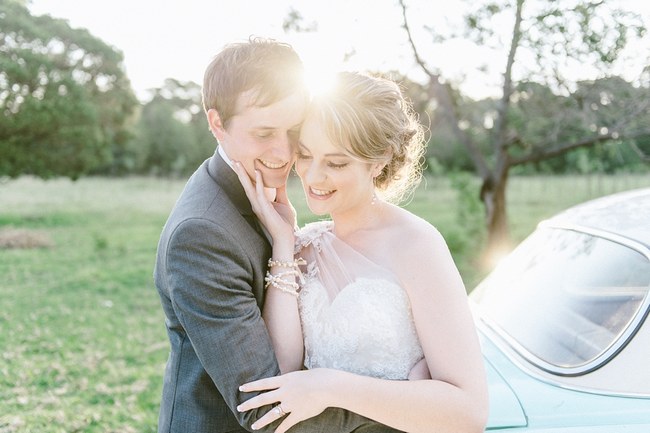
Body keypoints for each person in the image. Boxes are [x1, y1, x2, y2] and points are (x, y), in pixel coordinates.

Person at [153, 38, 402, 433]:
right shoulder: (202, 236)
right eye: (265, 132)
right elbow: (265, 408)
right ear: (217, 123)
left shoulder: (263, 197)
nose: (285, 152)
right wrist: (412, 407)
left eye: (293, 129)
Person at [233, 71, 490, 433]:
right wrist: (283, 242)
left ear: (379, 159)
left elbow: (468, 412)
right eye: (306, 156)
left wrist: (331, 386)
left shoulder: (417, 246)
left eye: (336, 163)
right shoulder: (303, 247)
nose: (313, 177)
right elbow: (283, 370)